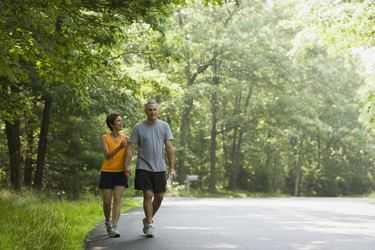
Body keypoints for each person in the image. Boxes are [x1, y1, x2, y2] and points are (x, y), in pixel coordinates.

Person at [124, 100, 175, 238]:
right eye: (149, 110)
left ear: (158, 111)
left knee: (159, 197)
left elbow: (169, 148)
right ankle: (150, 225)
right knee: (148, 195)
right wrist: (127, 165)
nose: (152, 112)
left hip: (159, 167)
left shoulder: (164, 126)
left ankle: (147, 219)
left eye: (154, 110)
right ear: (145, 111)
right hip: (143, 166)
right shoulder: (138, 127)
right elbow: (130, 147)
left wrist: (172, 168)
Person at [99, 113, 128, 238]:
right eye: (118, 121)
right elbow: (107, 155)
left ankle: (114, 227)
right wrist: (120, 147)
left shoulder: (126, 138)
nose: (121, 123)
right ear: (112, 124)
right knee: (106, 202)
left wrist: (127, 168)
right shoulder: (105, 138)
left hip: (121, 172)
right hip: (107, 172)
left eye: (121, 121)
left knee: (117, 199)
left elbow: (129, 155)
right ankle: (108, 222)